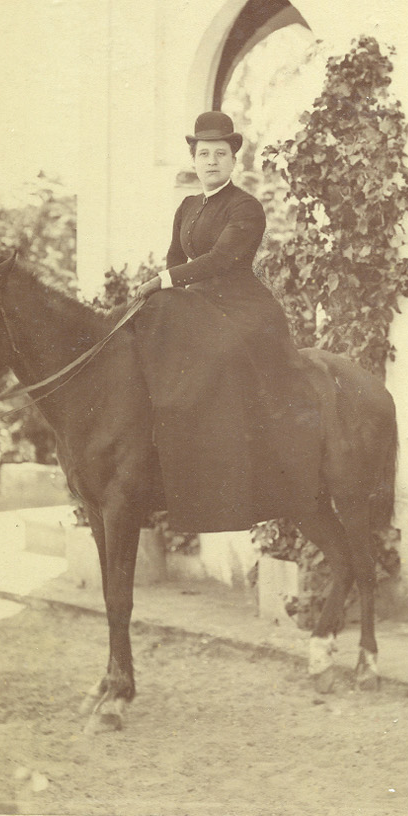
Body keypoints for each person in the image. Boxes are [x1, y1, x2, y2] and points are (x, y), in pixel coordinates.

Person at [130, 112, 324, 532]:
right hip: (199, 308)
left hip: (245, 311)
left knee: (217, 359)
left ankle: (234, 463)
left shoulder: (245, 207)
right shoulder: (187, 206)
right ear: (194, 160)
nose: (212, 161)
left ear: (233, 160)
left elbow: (223, 259)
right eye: (204, 154)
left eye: (220, 153)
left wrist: (163, 282)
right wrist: (169, 296)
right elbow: (175, 259)